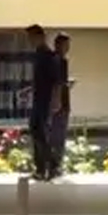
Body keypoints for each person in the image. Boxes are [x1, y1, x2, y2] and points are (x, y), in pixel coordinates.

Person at [24, 24, 61, 181]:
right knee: (35, 132)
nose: (30, 41)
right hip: (38, 99)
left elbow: (56, 81)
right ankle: (42, 168)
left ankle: (51, 166)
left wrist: (56, 100)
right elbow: (39, 79)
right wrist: (29, 90)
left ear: (40, 37)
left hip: (46, 100)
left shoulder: (49, 56)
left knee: (41, 134)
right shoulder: (38, 55)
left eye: (32, 37)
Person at [49, 33, 73, 172]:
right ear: (58, 45)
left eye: (68, 45)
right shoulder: (59, 60)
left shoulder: (56, 60)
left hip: (59, 102)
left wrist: (67, 84)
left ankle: (54, 165)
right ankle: (55, 166)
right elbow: (57, 83)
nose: (68, 48)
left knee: (56, 135)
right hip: (60, 104)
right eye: (66, 45)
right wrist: (57, 101)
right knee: (58, 136)